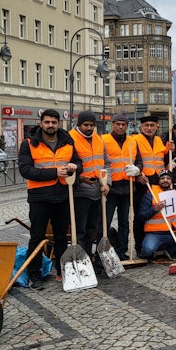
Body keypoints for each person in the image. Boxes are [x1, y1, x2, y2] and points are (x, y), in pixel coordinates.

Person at [18, 109, 82, 289]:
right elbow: (25, 170)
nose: (50, 125)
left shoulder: (67, 141)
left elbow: (79, 163)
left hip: (62, 195)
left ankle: (63, 271)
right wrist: (54, 173)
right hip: (39, 197)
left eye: (54, 122)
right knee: (37, 237)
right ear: (41, 123)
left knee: (61, 237)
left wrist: (75, 166)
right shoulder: (29, 143)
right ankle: (34, 275)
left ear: (58, 124)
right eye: (47, 122)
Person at [68, 111, 110, 260]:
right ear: (79, 124)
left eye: (92, 125)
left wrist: (107, 183)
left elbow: (107, 163)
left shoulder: (99, 139)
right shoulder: (70, 138)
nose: (89, 128)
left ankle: (89, 257)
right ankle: (81, 259)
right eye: (86, 125)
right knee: (80, 229)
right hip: (80, 192)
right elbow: (67, 164)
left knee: (92, 229)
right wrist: (79, 179)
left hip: (97, 191)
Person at [101, 111, 142, 259]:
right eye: (118, 124)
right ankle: (103, 251)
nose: (120, 127)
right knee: (105, 221)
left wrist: (137, 169)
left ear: (127, 125)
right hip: (111, 187)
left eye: (123, 124)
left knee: (124, 221)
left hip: (127, 187)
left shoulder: (132, 141)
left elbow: (139, 161)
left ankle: (122, 250)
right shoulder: (104, 140)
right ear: (112, 125)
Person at [137, 170, 176, 259]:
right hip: (155, 234)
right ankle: (157, 249)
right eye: (162, 178)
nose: (165, 180)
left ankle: (170, 249)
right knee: (147, 251)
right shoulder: (150, 195)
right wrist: (154, 209)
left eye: (168, 178)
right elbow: (141, 217)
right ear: (158, 181)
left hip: (173, 233)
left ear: (171, 181)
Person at [132, 114, 168, 253]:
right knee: (140, 215)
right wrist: (137, 175)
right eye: (146, 125)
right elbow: (130, 160)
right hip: (142, 182)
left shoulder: (159, 140)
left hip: (158, 181)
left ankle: (157, 244)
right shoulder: (135, 140)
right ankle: (140, 246)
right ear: (141, 127)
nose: (149, 128)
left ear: (156, 127)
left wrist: (169, 150)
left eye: (152, 125)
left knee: (158, 212)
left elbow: (164, 157)